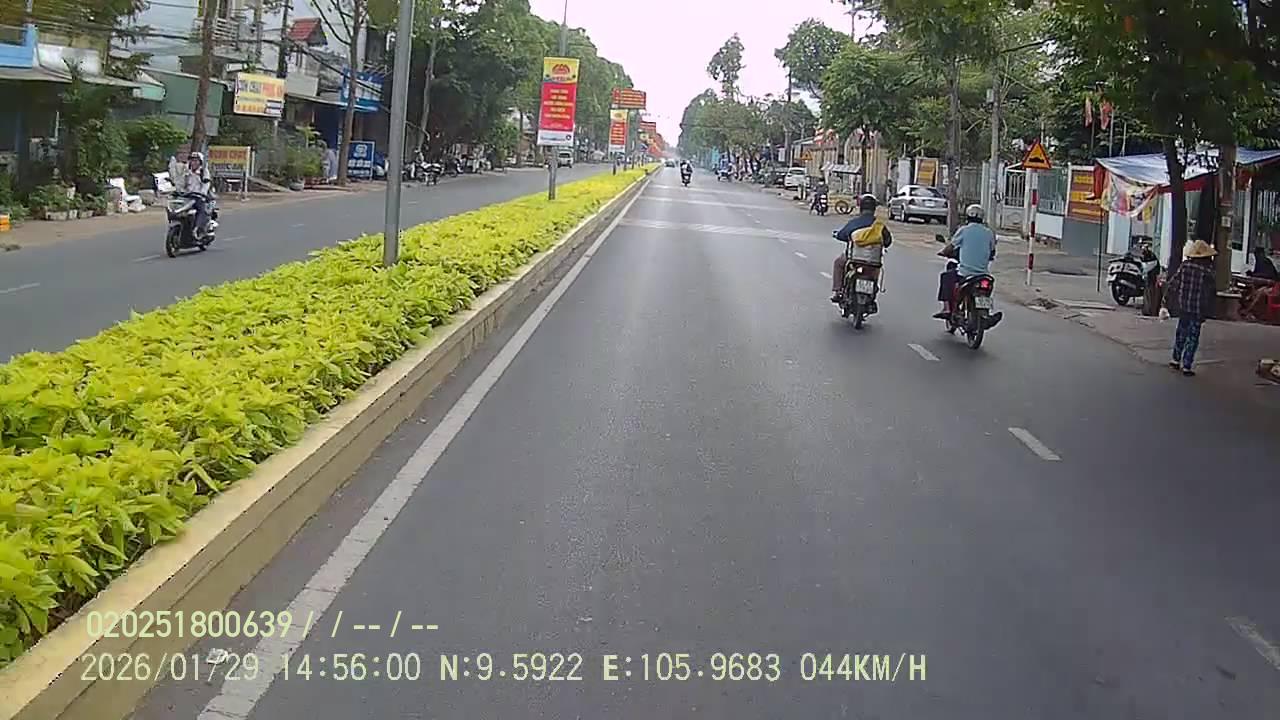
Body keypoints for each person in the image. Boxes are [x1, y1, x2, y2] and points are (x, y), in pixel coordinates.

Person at [933, 203, 1002, 329]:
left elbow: (951, 247)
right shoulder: (989, 233)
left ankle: (947, 309)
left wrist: (943, 252)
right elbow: (992, 251)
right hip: (983, 274)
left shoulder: (964, 230)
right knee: (986, 289)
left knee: (946, 277)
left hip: (965, 273)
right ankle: (986, 315)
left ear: (967, 217)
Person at [1164, 239, 1218, 376]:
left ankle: (1175, 360)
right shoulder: (1207, 272)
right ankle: (1186, 366)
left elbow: (1173, 284)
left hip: (1183, 306)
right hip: (1198, 309)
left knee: (1181, 333)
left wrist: (1166, 300)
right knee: (1193, 337)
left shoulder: (1185, 266)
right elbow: (1211, 293)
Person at [831, 193, 892, 304]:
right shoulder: (879, 226)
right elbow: (888, 241)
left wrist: (839, 235)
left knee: (838, 263)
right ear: (874, 209)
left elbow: (842, 235)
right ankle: (873, 293)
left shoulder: (854, 223)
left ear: (861, 208)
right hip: (873, 262)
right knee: (875, 272)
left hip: (853, 259)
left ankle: (838, 291)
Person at [179, 151, 214, 238]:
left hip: (199, 197)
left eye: (196, 161)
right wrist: (179, 190)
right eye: (192, 160)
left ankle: (197, 229)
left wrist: (202, 193)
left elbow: (206, 184)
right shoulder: (186, 172)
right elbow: (181, 183)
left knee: (202, 210)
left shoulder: (203, 172)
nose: (193, 163)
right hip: (187, 197)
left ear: (200, 162)